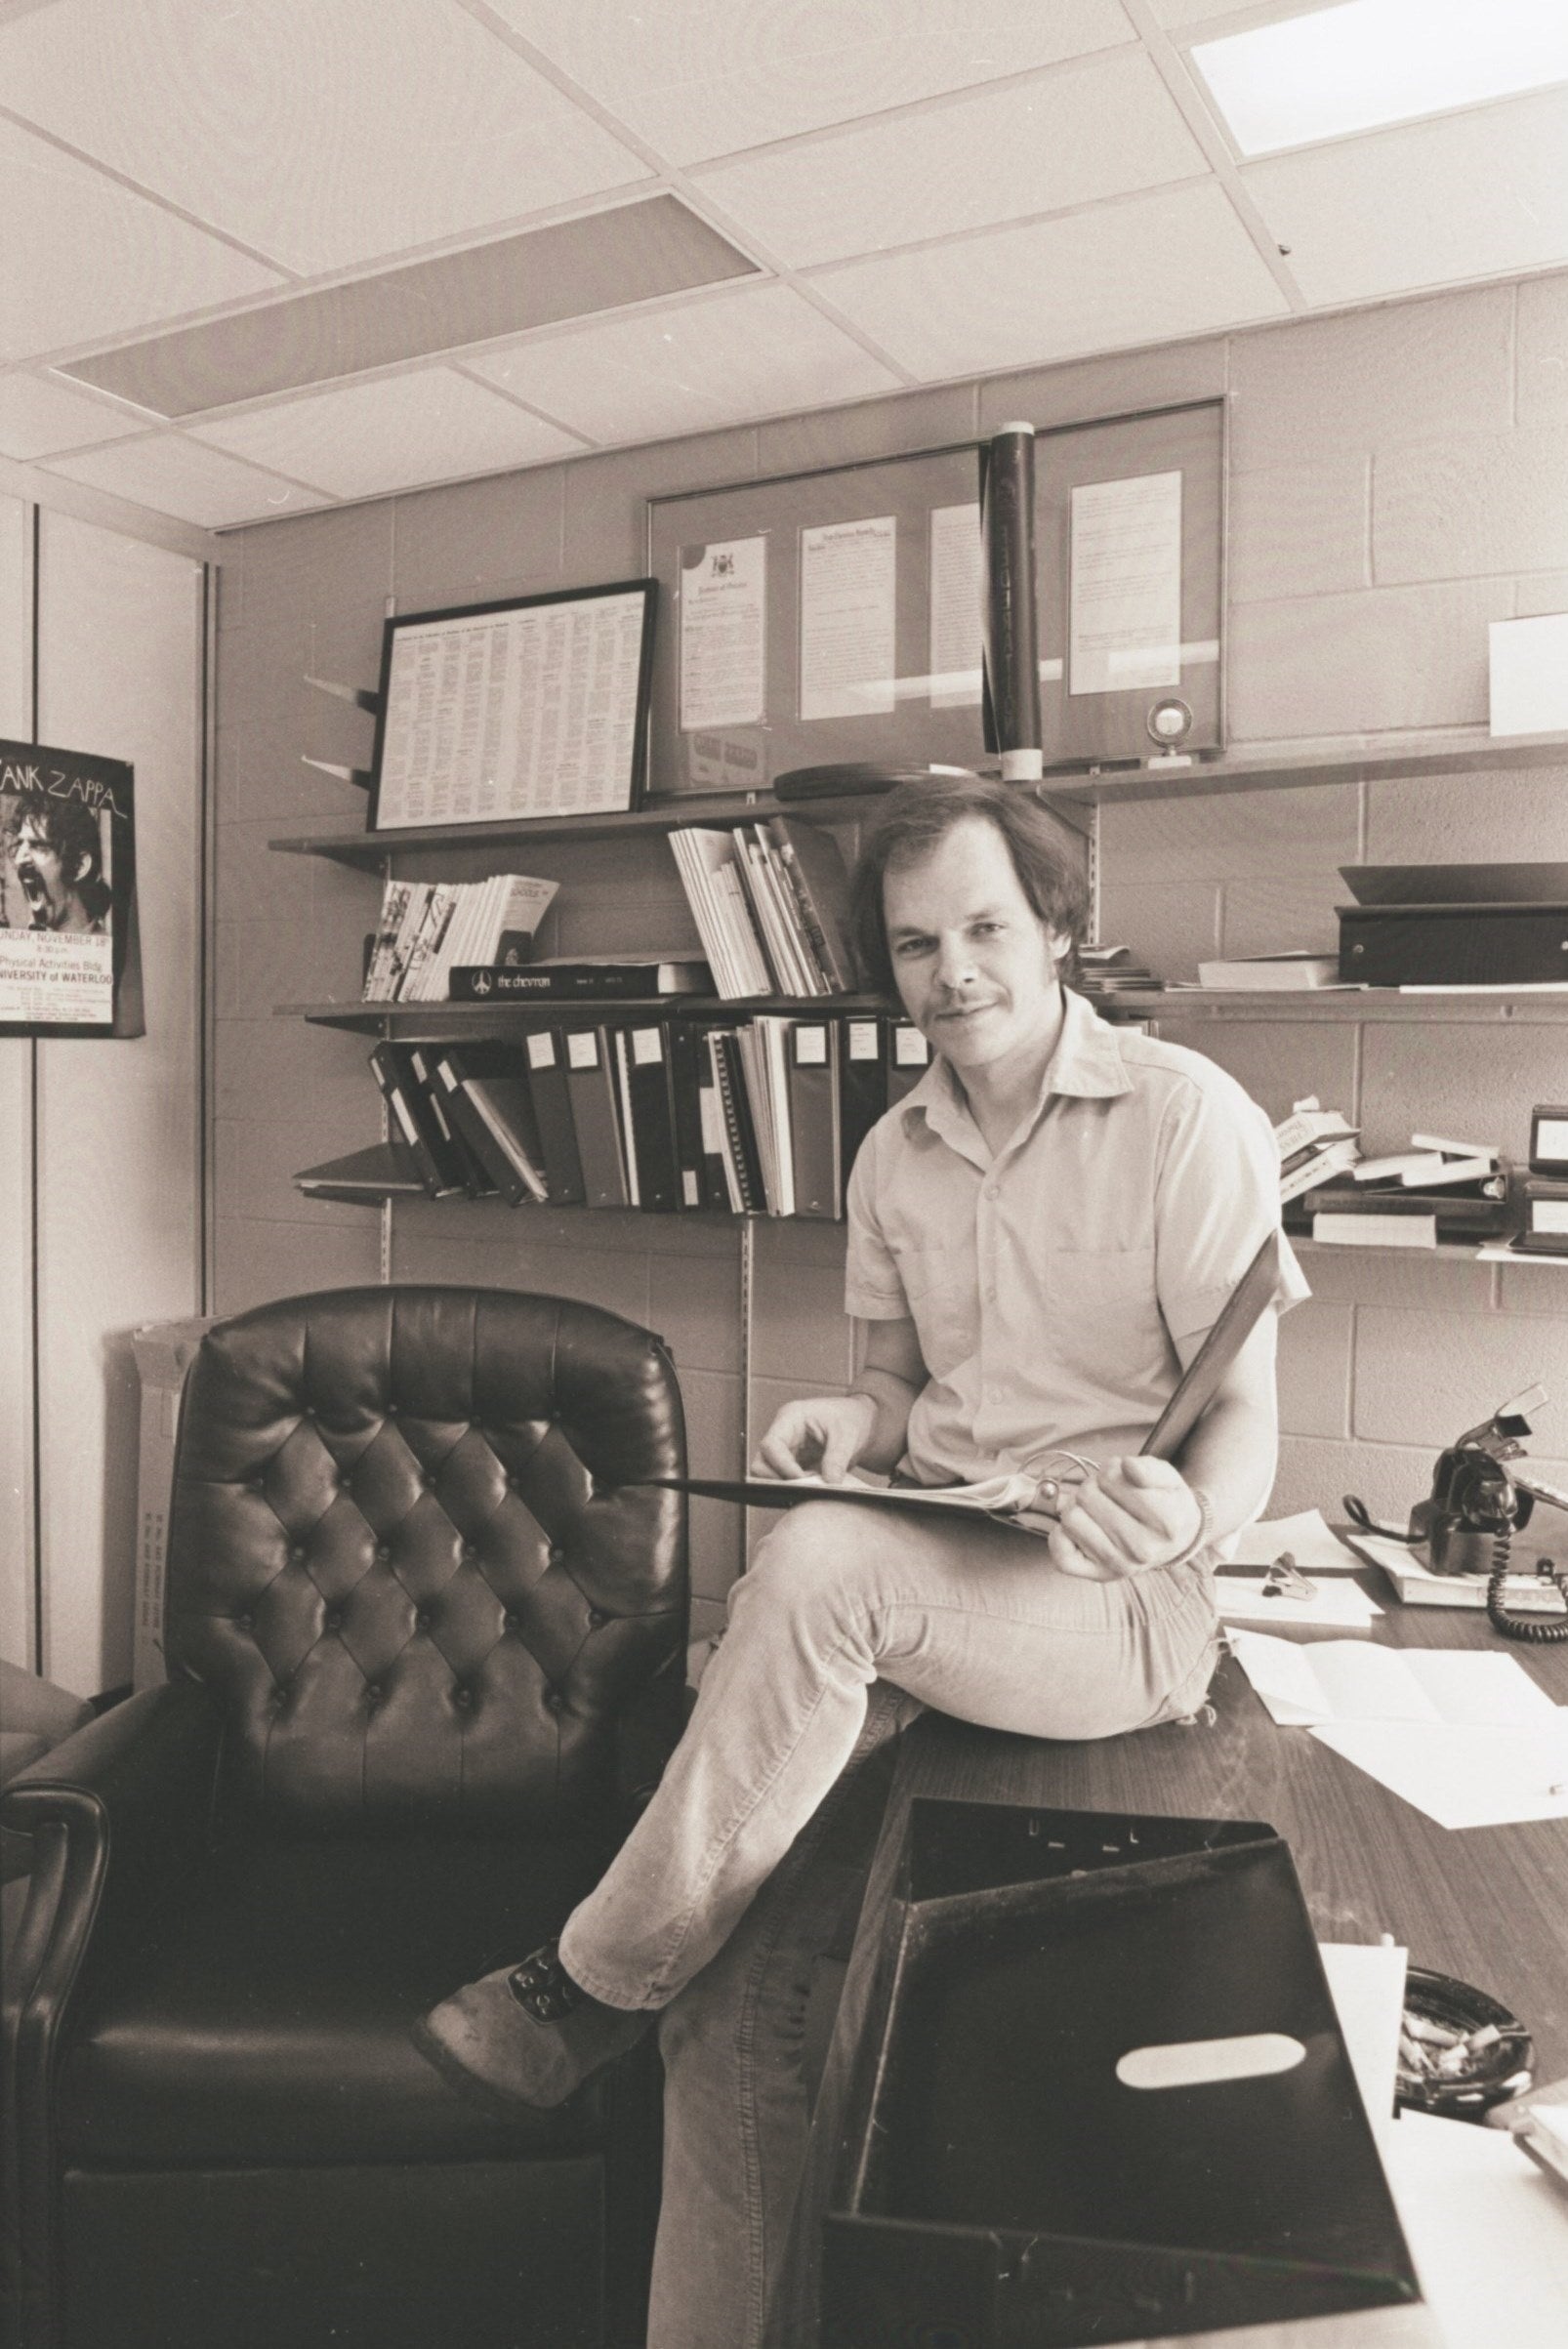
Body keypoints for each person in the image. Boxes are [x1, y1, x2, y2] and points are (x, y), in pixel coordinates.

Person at [414, 771, 1307, 2346]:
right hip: (936, 1574)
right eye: (912, 944)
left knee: (819, 1567)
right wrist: (851, 1418)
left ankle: (583, 1985)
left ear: (1056, 927)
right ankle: (649, 2029)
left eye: (984, 927)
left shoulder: (1184, 1117)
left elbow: (1243, 1412)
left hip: (1121, 1601)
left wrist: (1185, 1514)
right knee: (732, 2013)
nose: (951, 971)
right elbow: (896, 1387)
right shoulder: (892, 1151)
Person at [8, 799, 111, 933]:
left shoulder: (102, 945)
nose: (19, 859)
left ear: (79, 866)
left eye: (38, 846)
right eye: (20, 844)